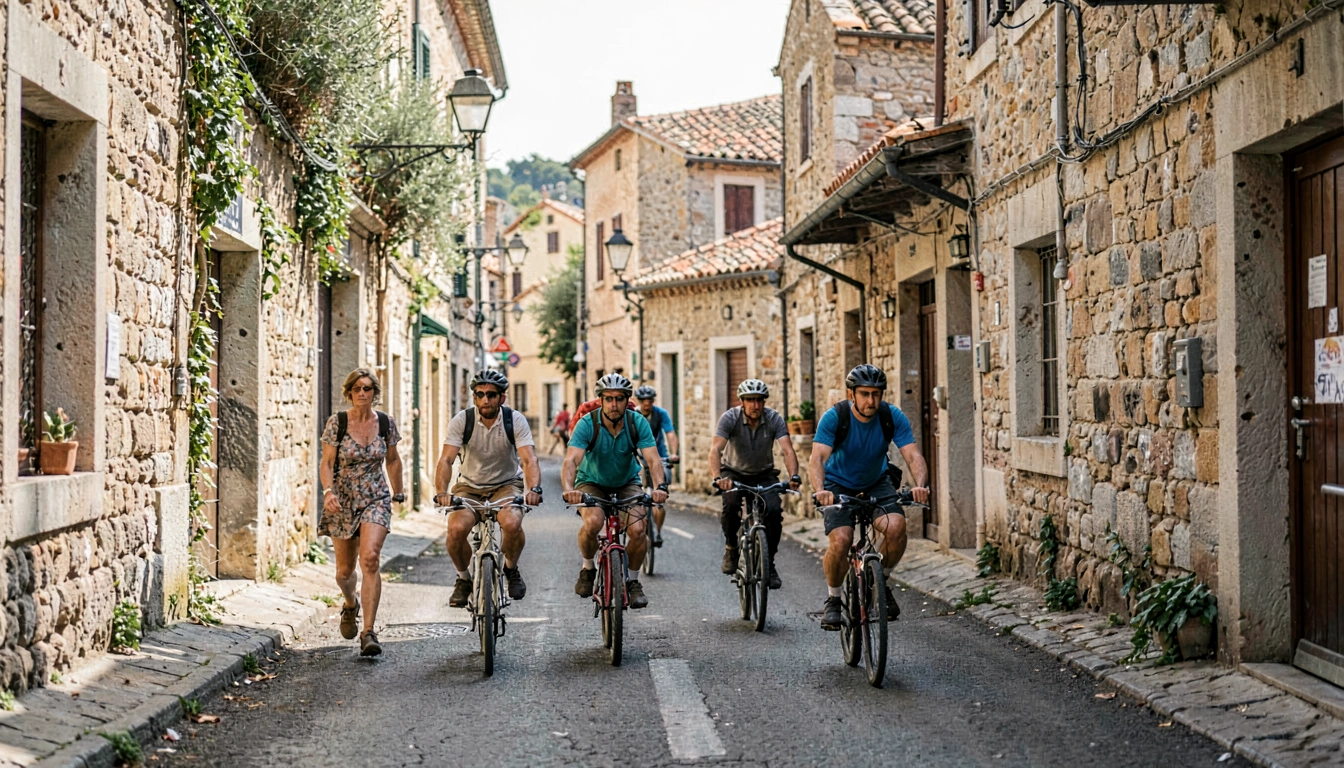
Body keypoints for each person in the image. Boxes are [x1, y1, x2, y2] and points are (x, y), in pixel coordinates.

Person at [810, 364, 930, 631]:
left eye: (876, 394)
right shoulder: (835, 417)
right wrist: (821, 490)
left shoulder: (891, 416)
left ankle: (880, 582)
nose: (871, 400)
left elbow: (913, 454)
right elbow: (817, 458)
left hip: (877, 483)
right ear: (851, 393)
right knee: (841, 540)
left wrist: (920, 484)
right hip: (837, 485)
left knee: (897, 527)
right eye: (864, 394)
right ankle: (833, 599)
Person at [434, 370, 543, 609]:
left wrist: (533, 488)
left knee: (512, 523)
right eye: (480, 394)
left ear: (502, 398)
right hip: (469, 487)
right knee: (455, 529)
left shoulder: (514, 420)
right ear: (474, 397)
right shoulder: (462, 420)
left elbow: (529, 459)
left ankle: (511, 569)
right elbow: (446, 460)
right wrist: (442, 492)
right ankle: (463, 579)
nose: (486, 400)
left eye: (491, 395)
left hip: (506, 485)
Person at [560, 373, 667, 609]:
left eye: (619, 398)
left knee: (639, 530)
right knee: (594, 522)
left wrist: (660, 487)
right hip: (591, 482)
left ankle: (633, 581)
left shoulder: (636, 422)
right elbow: (571, 461)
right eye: (608, 399)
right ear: (600, 400)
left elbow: (653, 459)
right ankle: (588, 567)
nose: (613, 404)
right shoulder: (588, 423)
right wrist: (569, 489)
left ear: (627, 399)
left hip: (626, 482)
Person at [319, 368, 405, 657]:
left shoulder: (385, 423)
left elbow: (392, 460)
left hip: (375, 498)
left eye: (367, 388)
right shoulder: (337, 422)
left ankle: (369, 632)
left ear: (374, 393)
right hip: (342, 500)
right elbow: (327, 462)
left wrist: (399, 490)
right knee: (345, 572)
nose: (362, 393)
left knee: (370, 559)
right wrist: (328, 492)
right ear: (349, 392)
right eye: (356, 388)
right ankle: (349, 603)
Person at [709, 379, 801, 589]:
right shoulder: (730, 418)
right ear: (742, 402)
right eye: (750, 400)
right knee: (731, 505)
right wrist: (717, 478)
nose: (755, 405)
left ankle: (769, 563)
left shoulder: (773, 418)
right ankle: (731, 547)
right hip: (733, 473)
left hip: (763, 474)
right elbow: (715, 450)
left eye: (759, 400)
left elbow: (787, 449)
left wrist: (793, 476)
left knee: (774, 511)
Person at [633, 385, 679, 546]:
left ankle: (657, 532)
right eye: (644, 400)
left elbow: (671, 433)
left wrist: (674, 453)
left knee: (660, 494)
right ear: (639, 401)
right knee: (635, 489)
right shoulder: (633, 415)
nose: (647, 403)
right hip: (637, 456)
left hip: (659, 456)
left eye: (650, 400)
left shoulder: (660, 414)